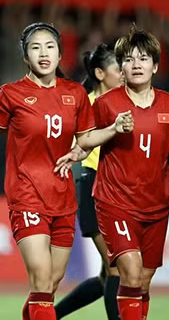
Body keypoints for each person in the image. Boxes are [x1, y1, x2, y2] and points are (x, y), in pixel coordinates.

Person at [0, 22, 130, 320]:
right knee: (42, 280)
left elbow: (84, 140)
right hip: (26, 194)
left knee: (51, 284)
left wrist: (111, 129)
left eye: (50, 47)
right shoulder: (12, 94)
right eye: (35, 47)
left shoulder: (75, 94)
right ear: (25, 57)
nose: (43, 53)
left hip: (63, 197)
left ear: (59, 54)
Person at [59, 26, 169, 320]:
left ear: (155, 65)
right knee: (128, 269)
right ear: (122, 67)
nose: (136, 65)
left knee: (142, 278)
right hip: (114, 201)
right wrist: (112, 129)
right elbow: (86, 140)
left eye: (143, 59)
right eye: (128, 60)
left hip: (155, 205)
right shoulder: (106, 104)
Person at [55, 44, 123, 320]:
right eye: (118, 69)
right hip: (95, 186)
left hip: (116, 188)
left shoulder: (121, 103)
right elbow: (79, 145)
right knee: (116, 267)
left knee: (107, 274)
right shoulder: (90, 105)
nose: (124, 73)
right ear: (100, 73)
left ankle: (49, 316)